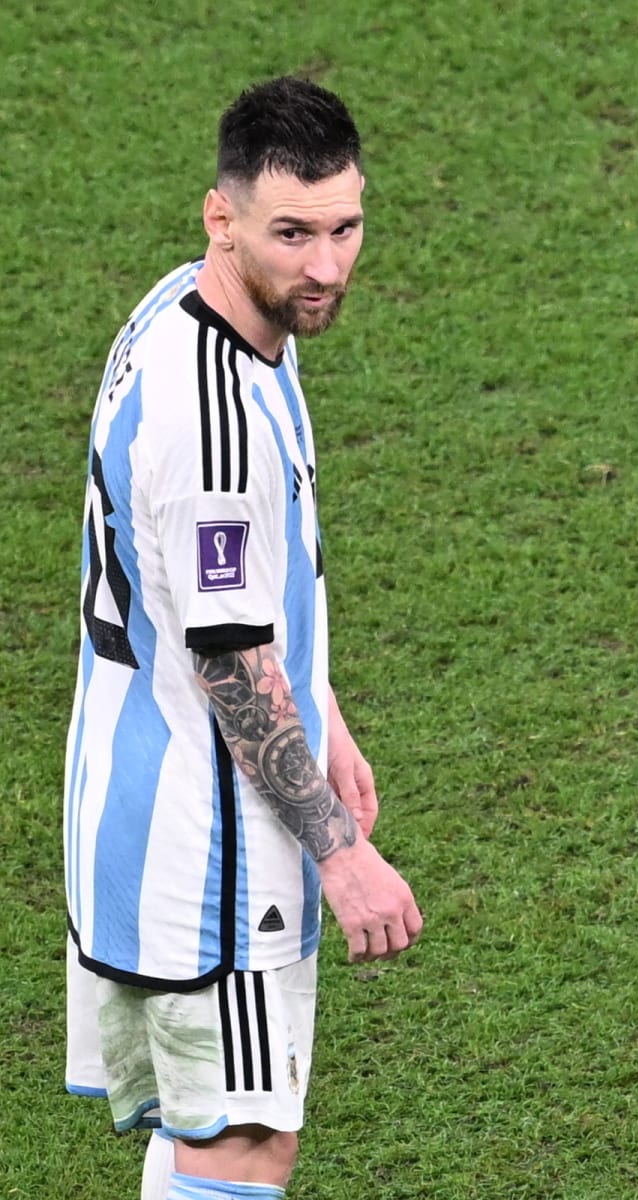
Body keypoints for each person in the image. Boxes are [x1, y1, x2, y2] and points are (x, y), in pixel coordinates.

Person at [63, 77, 423, 1200]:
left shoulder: (202, 308)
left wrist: (328, 714)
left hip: (135, 792)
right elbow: (228, 658)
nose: (325, 266)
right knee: (242, 1146)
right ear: (221, 218)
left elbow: (239, 606)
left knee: (204, 1129)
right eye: (292, 234)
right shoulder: (214, 425)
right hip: (208, 846)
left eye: (344, 228)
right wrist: (340, 854)